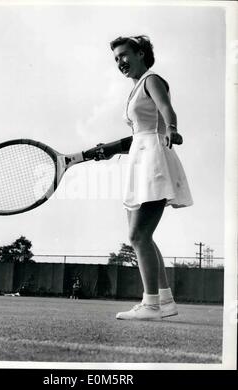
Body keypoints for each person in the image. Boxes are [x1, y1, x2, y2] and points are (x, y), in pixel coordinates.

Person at [97, 35, 193, 320]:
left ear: (140, 53)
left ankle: (150, 305)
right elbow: (139, 134)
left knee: (138, 235)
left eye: (124, 55)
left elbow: (165, 110)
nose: (120, 62)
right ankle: (165, 302)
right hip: (140, 159)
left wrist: (172, 128)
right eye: (116, 58)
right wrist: (111, 148)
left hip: (154, 160)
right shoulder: (135, 89)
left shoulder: (152, 79)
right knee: (144, 237)